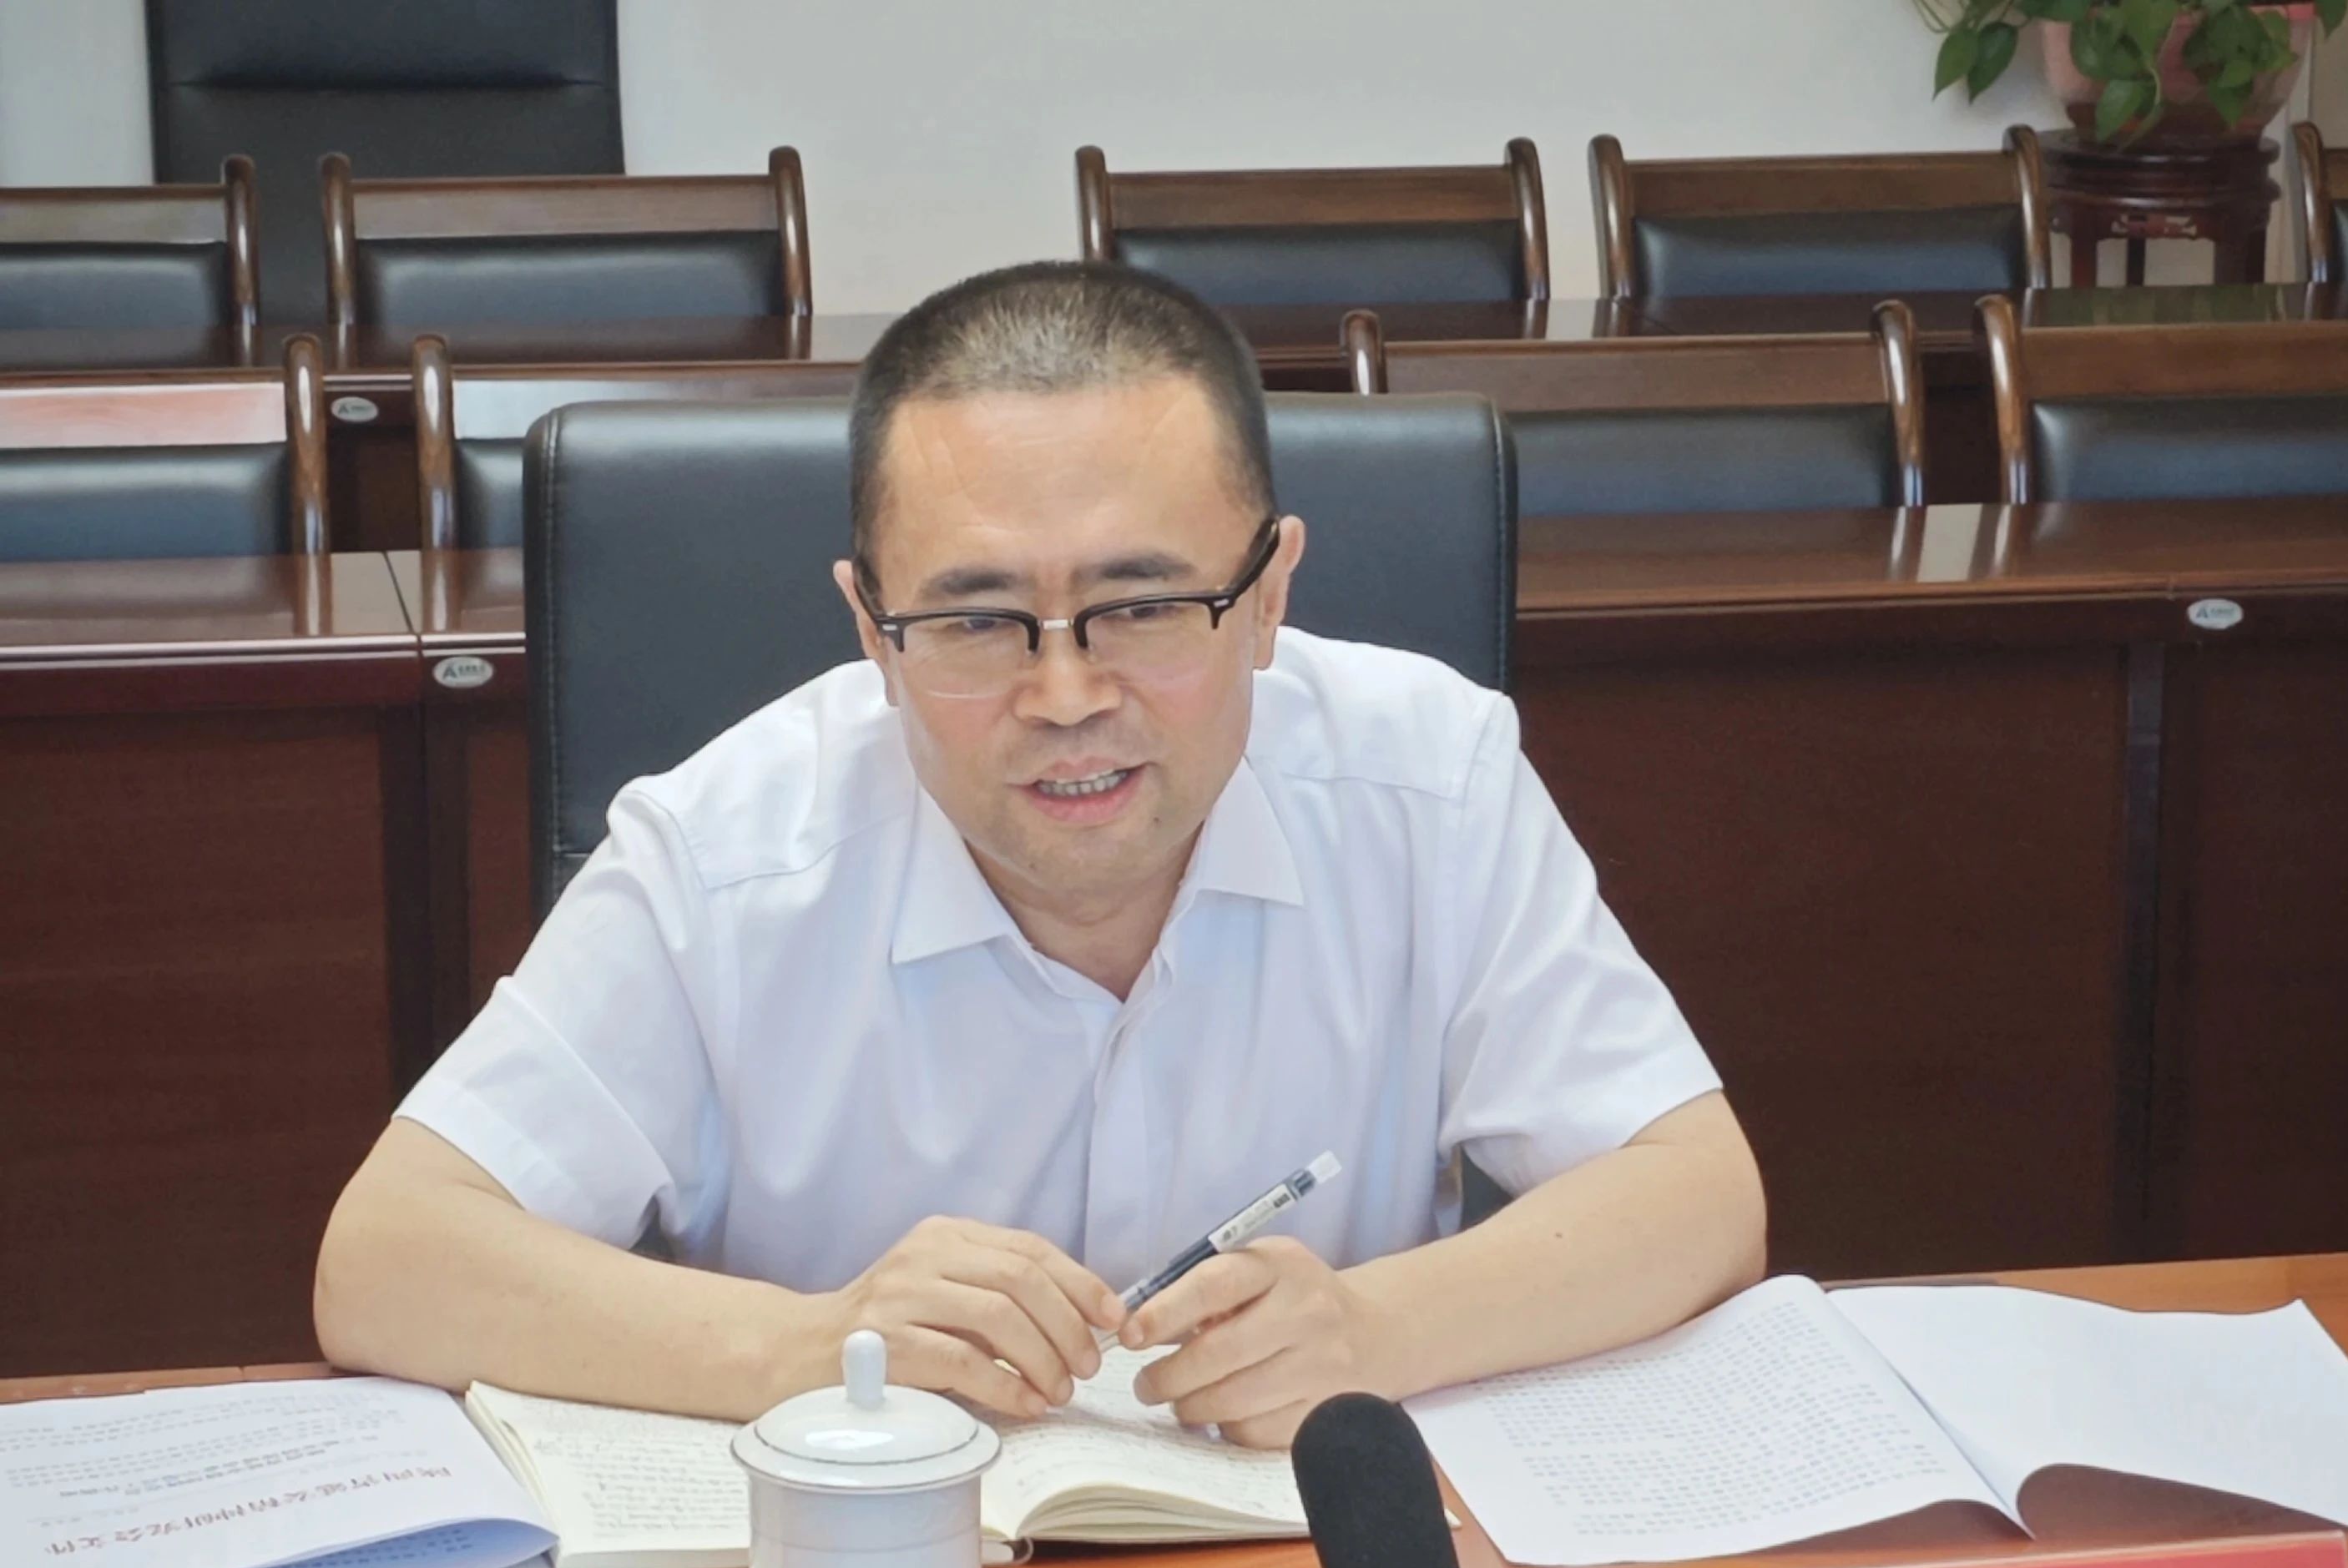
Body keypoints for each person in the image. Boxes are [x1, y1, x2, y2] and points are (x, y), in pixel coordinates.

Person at [315, 260, 1764, 1448]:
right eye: (974, 621)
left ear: (1269, 596)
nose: (1066, 697)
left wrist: (1381, 1328)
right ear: (870, 627)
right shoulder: (723, 856)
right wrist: (808, 1347)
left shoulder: (1429, 780)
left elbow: (1697, 1190)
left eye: (1143, 607)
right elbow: (389, 1258)